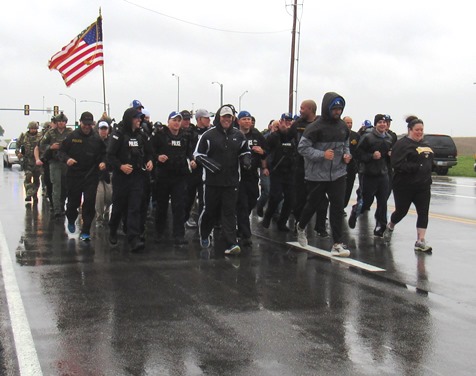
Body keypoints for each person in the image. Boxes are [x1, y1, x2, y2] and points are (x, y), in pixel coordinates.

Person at [295, 92, 352, 257]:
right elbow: (302, 148)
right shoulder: (315, 127)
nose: (338, 112)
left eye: (340, 109)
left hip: (338, 173)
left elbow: (346, 144)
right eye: (335, 108)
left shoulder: (342, 126)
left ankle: (337, 244)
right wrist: (322, 155)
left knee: (337, 207)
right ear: (327, 108)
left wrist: (347, 155)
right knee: (313, 204)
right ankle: (301, 226)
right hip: (317, 175)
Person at [194, 104, 251, 255]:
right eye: (224, 117)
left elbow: (245, 150)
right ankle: (205, 233)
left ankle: (231, 244)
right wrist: (210, 165)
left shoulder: (239, 135)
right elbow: (197, 155)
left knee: (229, 212)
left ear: (232, 119)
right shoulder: (209, 135)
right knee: (210, 211)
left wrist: (246, 159)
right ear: (219, 118)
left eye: (229, 117)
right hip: (212, 182)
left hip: (231, 182)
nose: (226, 120)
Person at [384, 117, 434, 252]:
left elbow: (429, 163)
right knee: (401, 211)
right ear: (410, 130)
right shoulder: (402, 145)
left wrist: (428, 169)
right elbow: (396, 164)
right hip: (404, 185)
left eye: (421, 130)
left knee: (423, 212)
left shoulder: (426, 145)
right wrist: (415, 167)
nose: (419, 132)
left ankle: (420, 240)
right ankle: (391, 225)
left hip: (423, 185)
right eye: (417, 130)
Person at [107, 107, 154, 252]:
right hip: (122, 178)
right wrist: (120, 166)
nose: (139, 120)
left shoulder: (142, 135)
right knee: (119, 207)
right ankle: (113, 230)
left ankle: (134, 237)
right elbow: (110, 156)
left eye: (140, 118)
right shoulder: (118, 134)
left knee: (135, 207)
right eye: (136, 118)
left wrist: (150, 161)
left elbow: (150, 152)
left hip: (137, 177)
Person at [59, 112, 106, 240]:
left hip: (91, 175)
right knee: (73, 202)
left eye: (89, 124)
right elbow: (61, 152)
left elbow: (105, 154)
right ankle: (71, 218)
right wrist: (67, 159)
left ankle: (85, 230)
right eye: (85, 124)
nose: (87, 127)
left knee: (89, 203)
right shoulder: (72, 137)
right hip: (74, 174)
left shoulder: (96, 139)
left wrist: (103, 162)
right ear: (80, 123)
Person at [152, 111, 195, 246]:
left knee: (179, 206)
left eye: (178, 120)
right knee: (161, 206)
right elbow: (150, 151)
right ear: (168, 121)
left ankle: (179, 235)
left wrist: (192, 160)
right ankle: (159, 233)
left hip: (180, 176)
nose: (176, 123)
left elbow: (190, 153)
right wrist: (157, 157)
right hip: (163, 176)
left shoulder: (185, 137)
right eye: (174, 120)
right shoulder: (160, 136)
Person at [348, 114, 393, 237]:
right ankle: (355, 211)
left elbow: (388, 157)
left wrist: (390, 155)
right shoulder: (368, 137)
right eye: (380, 122)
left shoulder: (389, 138)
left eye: (384, 122)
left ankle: (380, 225)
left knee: (383, 201)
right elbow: (358, 154)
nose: (383, 124)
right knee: (366, 202)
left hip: (383, 174)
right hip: (368, 174)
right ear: (375, 124)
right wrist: (371, 156)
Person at [236, 110, 268, 246]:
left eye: (249, 119)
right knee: (242, 203)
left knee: (252, 199)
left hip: (253, 174)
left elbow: (266, 152)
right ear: (238, 121)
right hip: (239, 174)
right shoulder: (235, 134)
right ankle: (245, 233)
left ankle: (241, 222)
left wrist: (262, 153)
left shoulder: (256, 134)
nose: (247, 121)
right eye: (244, 119)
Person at [261, 113, 297, 232]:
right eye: (286, 121)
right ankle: (267, 217)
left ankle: (282, 222)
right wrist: (265, 167)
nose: (288, 124)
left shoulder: (293, 137)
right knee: (275, 197)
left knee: (290, 199)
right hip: (277, 171)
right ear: (281, 122)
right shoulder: (273, 137)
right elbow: (265, 153)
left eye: (290, 122)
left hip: (290, 172)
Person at [37, 113, 72, 218]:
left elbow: (76, 143)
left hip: (66, 162)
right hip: (54, 161)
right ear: (56, 123)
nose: (61, 123)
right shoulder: (50, 133)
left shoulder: (70, 132)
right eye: (59, 121)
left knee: (65, 185)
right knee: (56, 185)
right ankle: (56, 208)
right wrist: (50, 147)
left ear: (66, 122)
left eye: (63, 121)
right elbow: (41, 145)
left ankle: (62, 205)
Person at [183, 108, 212, 229]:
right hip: (193, 170)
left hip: (205, 170)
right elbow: (187, 149)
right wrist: (191, 159)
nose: (209, 120)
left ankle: (203, 222)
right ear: (199, 119)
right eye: (206, 118)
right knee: (189, 196)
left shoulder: (211, 133)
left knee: (204, 198)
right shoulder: (190, 132)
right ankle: (185, 218)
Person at [16, 121, 42, 202]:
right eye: (31, 128)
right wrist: (18, 153)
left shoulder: (40, 136)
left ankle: (34, 195)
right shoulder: (24, 136)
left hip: (37, 160)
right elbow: (17, 145)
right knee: (28, 177)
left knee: (36, 179)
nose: (33, 130)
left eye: (34, 129)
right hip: (27, 160)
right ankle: (29, 193)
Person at [95, 120, 113, 227]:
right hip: (96, 174)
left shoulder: (111, 142)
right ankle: (99, 218)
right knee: (99, 196)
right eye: (101, 129)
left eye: (105, 129)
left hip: (108, 173)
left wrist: (105, 162)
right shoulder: (93, 141)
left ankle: (107, 211)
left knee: (109, 196)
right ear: (98, 130)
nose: (103, 131)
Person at [342, 116, 360, 210]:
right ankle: (338, 207)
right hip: (341, 166)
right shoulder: (339, 134)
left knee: (349, 188)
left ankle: (343, 206)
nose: (349, 125)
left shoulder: (355, 136)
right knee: (340, 189)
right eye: (347, 122)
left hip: (351, 166)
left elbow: (359, 150)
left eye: (351, 123)